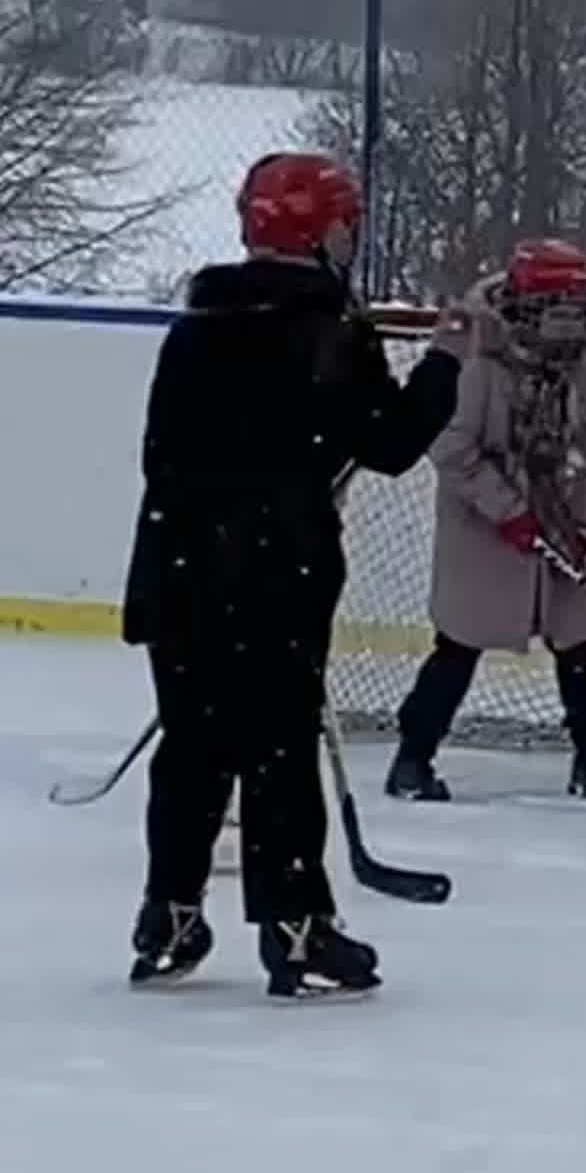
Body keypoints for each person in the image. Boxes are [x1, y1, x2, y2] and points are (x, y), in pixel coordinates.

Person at [119, 151, 462, 1000]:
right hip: (274, 578)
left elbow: (163, 456)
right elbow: (391, 444)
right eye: (344, 225)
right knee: (278, 754)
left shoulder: (198, 325)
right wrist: (449, 361)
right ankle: (297, 926)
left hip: (180, 571)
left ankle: (168, 913)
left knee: (194, 748)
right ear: (319, 233)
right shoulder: (330, 331)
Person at [385, 239, 586, 805]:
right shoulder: (475, 358)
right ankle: (412, 760)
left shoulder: (578, 366)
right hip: (481, 532)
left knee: (579, 646)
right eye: (558, 312)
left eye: (577, 313)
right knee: (460, 645)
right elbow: (451, 447)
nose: (569, 327)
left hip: (557, 521)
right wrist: (510, 512)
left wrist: (581, 523)